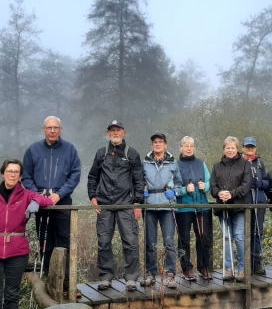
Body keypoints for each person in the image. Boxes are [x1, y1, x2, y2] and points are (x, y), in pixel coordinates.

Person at [22, 116, 81, 295]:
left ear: (61, 129)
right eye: (49, 128)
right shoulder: (33, 150)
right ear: (44, 129)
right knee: (45, 242)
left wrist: (60, 193)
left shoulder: (69, 149)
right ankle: (50, 280)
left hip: (61, 200)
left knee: (64, 240)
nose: (53, 131)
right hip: (40, 201)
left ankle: (67, 284)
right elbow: (26, 175)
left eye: (56, 128)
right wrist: (36, 195)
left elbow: (75, 174)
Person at [0, 159, 53, 309]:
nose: (12, 174)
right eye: (9, 171)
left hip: (17, 250)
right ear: (3, 173)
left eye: (16, 172)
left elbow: (47, 199)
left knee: (12, 293)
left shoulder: (25, 194)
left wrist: (36, 202)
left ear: (20, 176)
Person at [87, 120, 144, 291]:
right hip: (104, 204)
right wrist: (93, 198)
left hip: (126, 204)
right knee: (104, 242)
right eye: (112, 131)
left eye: (118, 130)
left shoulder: (131, 154)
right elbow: (92, 177)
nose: (115, 133)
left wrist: (137, 203)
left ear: (124, 132)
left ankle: (131, 278)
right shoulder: (101, 153)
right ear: (108, 133)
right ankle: (105, 277)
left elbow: (139, 180)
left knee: (131, 241)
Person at [142, 133, 182, 289]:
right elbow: (138, 182)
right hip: (150, 205)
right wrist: (141, 193)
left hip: (167, 205)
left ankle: (170, 274)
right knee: (150, 242)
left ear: (166, 145)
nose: (157, 144)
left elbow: (179, 184)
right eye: (155, 142)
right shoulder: (145, 163)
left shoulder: (173, 163)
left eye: (160, 142)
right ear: (152, 145)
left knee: (169, 241)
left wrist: (174, 192)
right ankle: (150, 274)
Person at [210, 136, 251, 282]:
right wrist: (219, 193)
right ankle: (229, 269)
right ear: (223, 149)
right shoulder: (217, 166)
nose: (230, 150)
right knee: (227, 238)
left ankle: (242, 269)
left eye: (233, 147)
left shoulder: (245, 164)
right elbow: (213, 185)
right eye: (227, 147)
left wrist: (231, 194)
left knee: (239, 237)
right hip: (223, 207)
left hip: (239, 207)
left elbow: (246, 185)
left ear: (237, 149)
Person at [176, 136, 213, 280]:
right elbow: (173, 188)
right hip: (184, 208)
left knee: (203, 238)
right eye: (186, 146)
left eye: (191, 145)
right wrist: (185, 189)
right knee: (184, 239)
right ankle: (187, 269)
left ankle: (204, 267)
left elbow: (209, 181)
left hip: (202, 207)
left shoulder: (201, 164)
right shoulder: (176, 165)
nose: (189, 148)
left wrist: (206, 186)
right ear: (181, 148)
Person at [241, 137, 269, 275]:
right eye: (247, 147)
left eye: (252, 147)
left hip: (259, 201)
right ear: (243, 148)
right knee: (244, 233)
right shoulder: (239, 162)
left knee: (257, 232)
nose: (250, 149)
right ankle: (244, 264)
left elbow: (267, 182)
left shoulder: (260, 163)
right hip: (244, 202)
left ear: (256, 148)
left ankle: (256, 263)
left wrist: (260, 184)